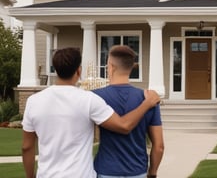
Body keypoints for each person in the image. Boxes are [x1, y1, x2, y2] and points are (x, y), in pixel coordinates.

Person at [21, 47, 160, 178]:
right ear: (79, 71)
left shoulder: (33, 101)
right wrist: (147, 104)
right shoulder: (89, 100)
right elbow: (125, 126)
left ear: (56, 70)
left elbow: (27, 147)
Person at [93, 45, 164, 178]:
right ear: (131, 68)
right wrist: (152, 173)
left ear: (111, 67)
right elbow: (159, 146)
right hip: (138, 170)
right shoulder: (149, 98)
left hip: (106, 169)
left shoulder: (96, 97)